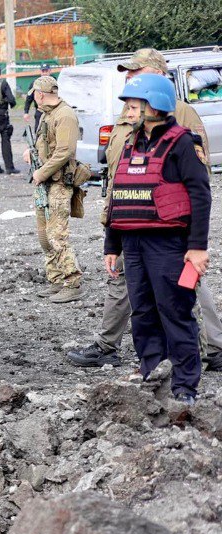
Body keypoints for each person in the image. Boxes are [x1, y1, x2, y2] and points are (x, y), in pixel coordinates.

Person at [68, 47, 222, 372]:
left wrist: (189, 235)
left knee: (184, 284)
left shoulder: (179, 114)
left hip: (165, 225)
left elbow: (196, 178)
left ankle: (207, 350)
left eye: (135, 73)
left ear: (156, 75)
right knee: (132, 285)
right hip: (128, 218)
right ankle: (116, 346)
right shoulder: (129, 116)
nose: (128, 80)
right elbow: (117, 169)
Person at [103, 73, 211, 405]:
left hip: (168, 244)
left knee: (175, 312)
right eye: (129, 106)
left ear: (157, 105)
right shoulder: (131, 142)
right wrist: (112, 245)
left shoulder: (180, 142)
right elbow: (118, 194)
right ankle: (150, 368)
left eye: (136, 105)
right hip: (133, 245)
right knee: (143, 312)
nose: (129, 111)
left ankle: (184, 386)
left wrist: (197, 248)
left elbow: (200, 195)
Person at [23, 76, 84, 304]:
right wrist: (33, 155)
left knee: (57, 235)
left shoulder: (64, 115)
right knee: (44, 236)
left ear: (40, 94)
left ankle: (73, 281)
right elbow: (45, 144)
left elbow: (65, 151)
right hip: (45, 183)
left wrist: (42, 172)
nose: (34, 99)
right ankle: (56, 278)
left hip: (58, 183)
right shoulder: (48, 114)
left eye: (34, 95)